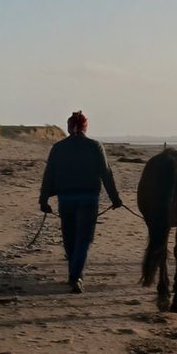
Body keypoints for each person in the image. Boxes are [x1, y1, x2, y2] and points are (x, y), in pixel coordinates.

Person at [39, 111, 122, 292]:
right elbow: (106, 173)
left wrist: (43, 199)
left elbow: (49, 174)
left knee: (69, 238)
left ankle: (74, 274)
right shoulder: (95, 146)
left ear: (69, 127)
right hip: (88, 199)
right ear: (86, 127)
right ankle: (76, 276)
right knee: (83, 239)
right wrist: (115, 198)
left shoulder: (58, 148)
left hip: (66, 199)